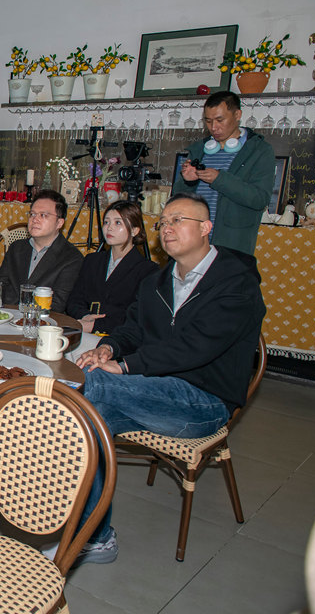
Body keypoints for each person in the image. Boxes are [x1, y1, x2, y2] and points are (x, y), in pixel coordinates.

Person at [72, 192, 265, 565]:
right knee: (86, 420)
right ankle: (96, 537)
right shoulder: (158, 281)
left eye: (179, 220)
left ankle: (5, 458)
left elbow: (196, 348)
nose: (168, 228)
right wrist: (109, 349)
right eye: (163, 222)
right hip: (153, 392)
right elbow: (134, 328)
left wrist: (125, 366)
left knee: (88, 382)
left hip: (204, 400)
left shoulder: (235, 282)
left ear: (206, 228)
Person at [173, 90, 276, 255]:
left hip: (230, 245)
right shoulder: (199, 149)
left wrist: (220, 179)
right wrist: (189, 182)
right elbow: (177, 199)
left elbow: (259, 199)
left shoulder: (259, 150)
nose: (214, 127)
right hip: (192, 243)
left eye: (220, 120)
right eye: (208, 121)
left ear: (237, 115)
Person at [65, 200, 158, 334]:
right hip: (84, 327)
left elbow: (137, 316)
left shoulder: (148, 270)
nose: (109, 228)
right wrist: (85, 316)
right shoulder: (92, 260)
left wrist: (96, 325)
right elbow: (74, 299)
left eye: (117, 223)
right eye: (106, 222)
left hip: (119, 336)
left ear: (134, 230)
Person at [0, 189, 83, 314]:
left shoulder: (71, 257)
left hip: (44, 321)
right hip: (8, 315)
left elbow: (57, 304)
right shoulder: (17, 248)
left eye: (43, 215)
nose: (35, 219)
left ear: (59, 223)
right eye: (32, 214)